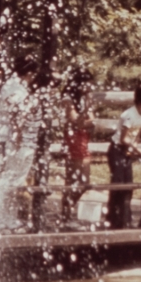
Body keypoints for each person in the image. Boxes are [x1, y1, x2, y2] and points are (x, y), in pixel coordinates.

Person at [0, 54, 41, 230]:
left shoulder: (12, 86)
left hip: (4, 139)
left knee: (7, 179)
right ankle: (1, 219)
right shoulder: (15, 88)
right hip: (9, 141)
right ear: (30, 73)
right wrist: (17, 138)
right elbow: (15, 114)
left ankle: (2, 218)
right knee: (11, 180)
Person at [107, 85, 141, 230]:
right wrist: (137, 150)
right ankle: (113, 217)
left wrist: (134, 148)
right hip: (117, 150)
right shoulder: (129, 114)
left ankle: (125, 217)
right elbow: (123, 139)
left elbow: (138, 134)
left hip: (127, 151)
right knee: (118, 184)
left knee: (129, 185)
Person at [60, 67, 95, 222]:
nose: (89, 87)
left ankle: (67, 208)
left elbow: (90, 120)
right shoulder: (68, 99)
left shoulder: (85, 97)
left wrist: (85, 119)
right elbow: (76, 121)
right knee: (73, 179)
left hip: (83, 138)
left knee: (85, 182)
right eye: (86, 84)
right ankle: (66, 212)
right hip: (73, 140)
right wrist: (86, 115)